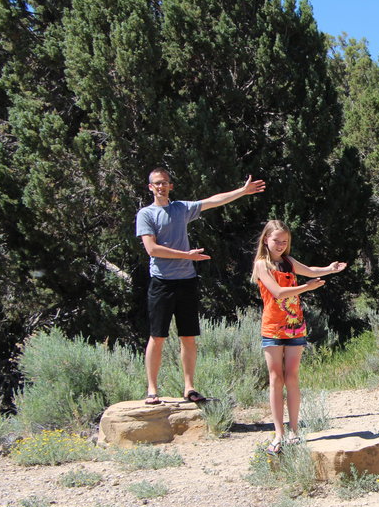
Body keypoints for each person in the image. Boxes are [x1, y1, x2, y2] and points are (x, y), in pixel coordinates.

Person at [135, 167, 265, 405]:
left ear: (171, 185)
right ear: (150, 187)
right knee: (157, 337)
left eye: (164, 182)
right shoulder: (146, 214)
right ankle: (152, 390)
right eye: (156, 183)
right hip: (161, 282)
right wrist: (186, 256)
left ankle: (189, 388)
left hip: (186, 281)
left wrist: (243, 191)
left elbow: (213, 201)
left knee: (188, 337)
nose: (161, 187)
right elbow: (152, 249)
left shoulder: (180, 209)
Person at [252, 220, 347, 455]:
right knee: (276, 378)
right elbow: (277, 292)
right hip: (273, 328)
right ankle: (278, 433)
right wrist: (307, 287)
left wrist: (329, 269)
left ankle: (294, 431)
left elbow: (310, 270)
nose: (281, 245)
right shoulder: (261, 265)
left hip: (295, 327)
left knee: (292, 377)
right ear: (266, 240)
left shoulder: (289, 262)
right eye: (276, 241)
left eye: (285, 242)